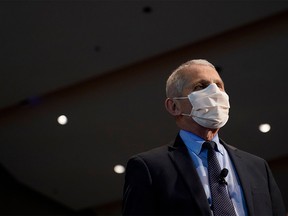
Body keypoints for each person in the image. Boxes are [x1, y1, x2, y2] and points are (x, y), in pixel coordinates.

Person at [122, 59, 286, 215]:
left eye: (219, 86)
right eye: (201, 86)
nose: (215, 93)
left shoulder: (257, 167)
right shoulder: (150, 168)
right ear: (174, 106)